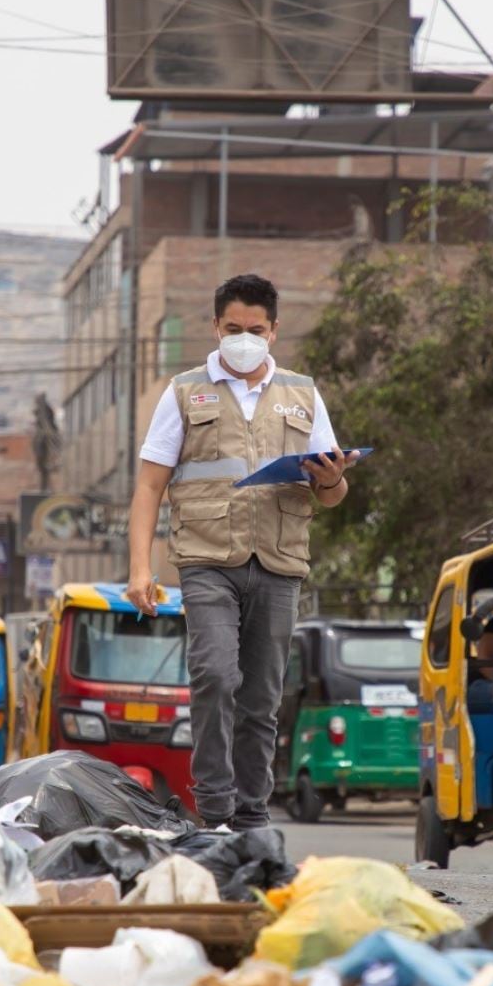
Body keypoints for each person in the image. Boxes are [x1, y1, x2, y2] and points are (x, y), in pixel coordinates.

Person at [126, 274, 355, 829]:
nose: (244, 339)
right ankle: (215, 809)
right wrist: (139, 570)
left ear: (274, 331)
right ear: (215, 328)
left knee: (261, 698)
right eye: (234, 329)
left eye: (256, 329)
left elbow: (332, 495)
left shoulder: (303, 395)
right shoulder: (184, 391)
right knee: (214, 676)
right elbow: (149, 486)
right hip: (206, 561)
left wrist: (332, 478)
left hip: (278, 564)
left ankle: (252, 816)